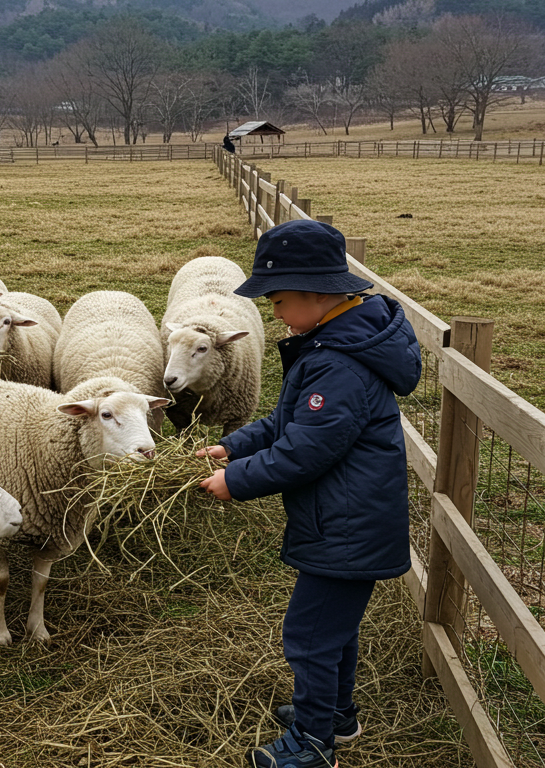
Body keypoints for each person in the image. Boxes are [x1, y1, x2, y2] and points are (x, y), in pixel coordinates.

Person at [196, 219, 421, 768]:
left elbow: (306, 451)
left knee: (309, 636)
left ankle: (314, 743)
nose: (273, 311)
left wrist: (236, 481)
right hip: (347, 518)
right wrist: (233, 447)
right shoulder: (329, 343)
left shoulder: (337, 363)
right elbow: (285, 423)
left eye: (278, 300)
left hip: (345, 526)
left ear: (317, 295)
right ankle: (337, 717)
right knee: (333, 630)